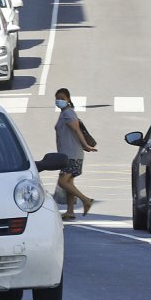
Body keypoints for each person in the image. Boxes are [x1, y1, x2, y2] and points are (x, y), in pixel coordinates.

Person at [53, 88, 96, 219]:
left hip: (71, 154)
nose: (59, 101)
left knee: (62, 182)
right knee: (69, 183)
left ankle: (86, 200)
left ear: (68, 99)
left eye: (62, 98)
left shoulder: (68, 114)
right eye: (57, 98)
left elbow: (77, 131)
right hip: (68, 153)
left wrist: (85, 145)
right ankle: (70, 211)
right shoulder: (65, 113)